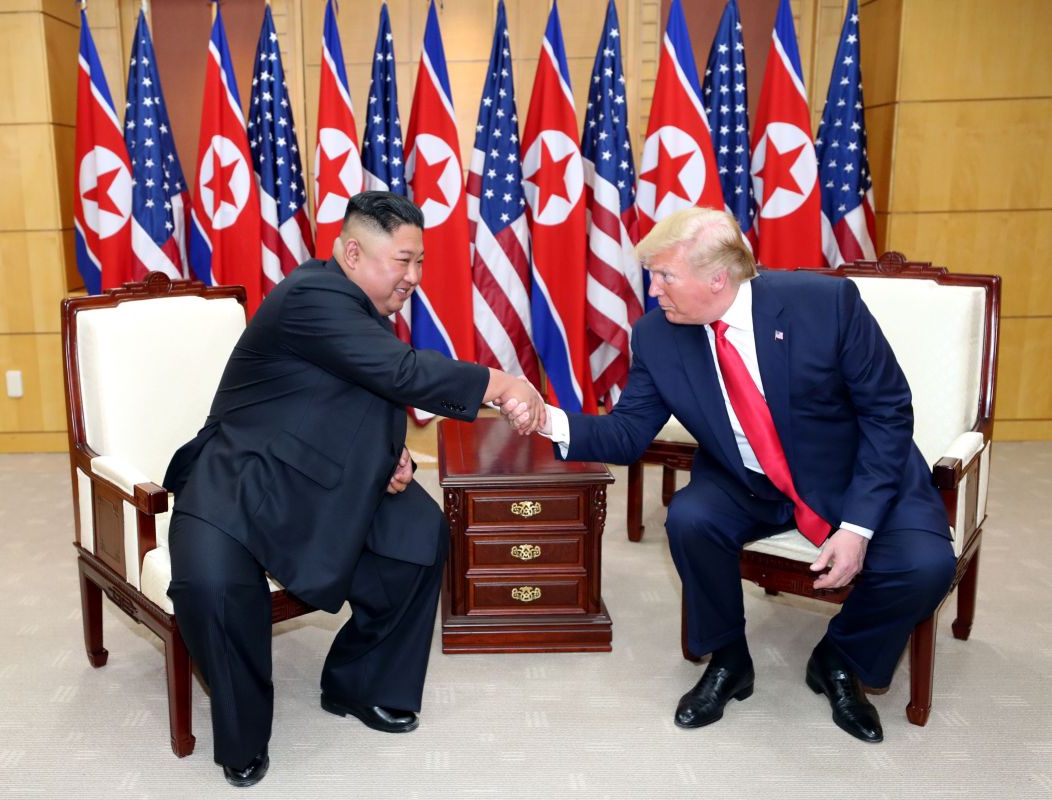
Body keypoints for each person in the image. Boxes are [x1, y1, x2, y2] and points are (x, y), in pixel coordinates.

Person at [506, 206, 955, 743]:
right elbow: (627, 434)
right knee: (690, 519)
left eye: (665, 276)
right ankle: (729, 658)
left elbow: (888, 413)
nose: (653, 290)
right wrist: (546, 419)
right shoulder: (657, 335)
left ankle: (840, 658)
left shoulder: (825, 305)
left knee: (925, 566)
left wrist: (857, 527)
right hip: (748, 479)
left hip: (854, 472)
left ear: (718, 278)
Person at [163, 191, 542, 787]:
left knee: (419, 536)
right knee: (214, 588)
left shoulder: (364, 308)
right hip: (243, 477)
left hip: (327, 475)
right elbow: (399, 372)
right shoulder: (312, 294)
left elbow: (367, 393)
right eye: (403, 261)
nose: (414, 277)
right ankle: (242, 738)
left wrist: (392, 457)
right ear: (352, 252)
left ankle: (358, 684)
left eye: (420, 262)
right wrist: (503, 383)